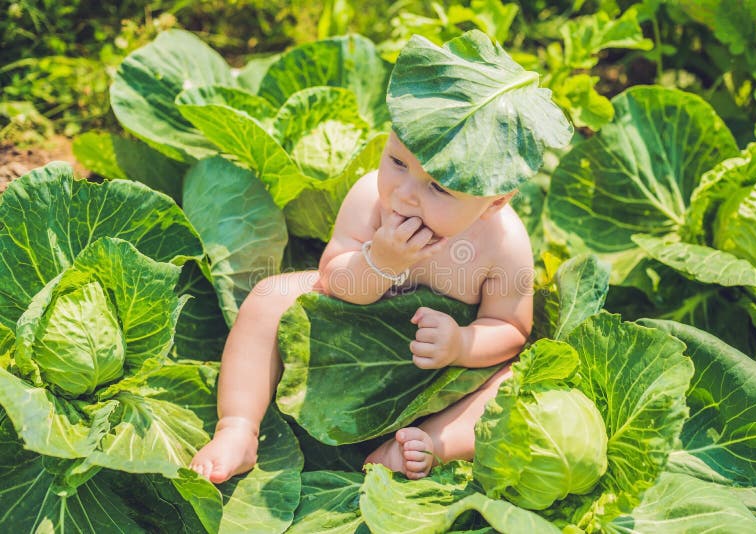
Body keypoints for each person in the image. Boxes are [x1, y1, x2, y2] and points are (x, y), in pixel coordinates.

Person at [190, 30, 571, 483]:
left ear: (495, 201)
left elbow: (511, 329)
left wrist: (461, 344)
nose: (404, 193)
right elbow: (332, 279)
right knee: (270, 296)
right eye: (397, 161)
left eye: (438, 187)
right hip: (353, 332)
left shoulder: (504, 244)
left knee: (515, 382)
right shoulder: (371, 198)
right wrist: (379, 264)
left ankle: (432, 441)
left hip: (440, 375)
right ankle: (238, 427)